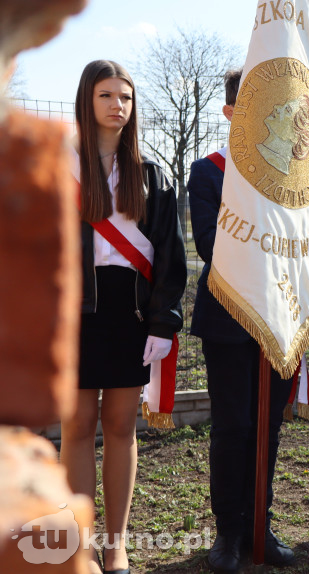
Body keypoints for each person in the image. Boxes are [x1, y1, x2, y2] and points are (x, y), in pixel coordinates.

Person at [61, 60, 186, 574]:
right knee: (76, 427)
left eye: (127, 97)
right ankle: (77, 545)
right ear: (86, 101)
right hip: (71, 312)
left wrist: (162, 322)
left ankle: (116, 546)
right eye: (107, 95)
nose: (118, 105)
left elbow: (170, 257)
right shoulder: (55, 167)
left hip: (129, 313)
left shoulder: (151, 176)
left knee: (120, 427)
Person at [187, 69, 295, 572]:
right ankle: (228, 530)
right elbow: (211, 245)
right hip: (229, 318)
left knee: (269, 427)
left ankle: (260, 525)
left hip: (280, 316)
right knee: (234, 427)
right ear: (231, 112)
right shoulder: (208, 171)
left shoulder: (294, 174)